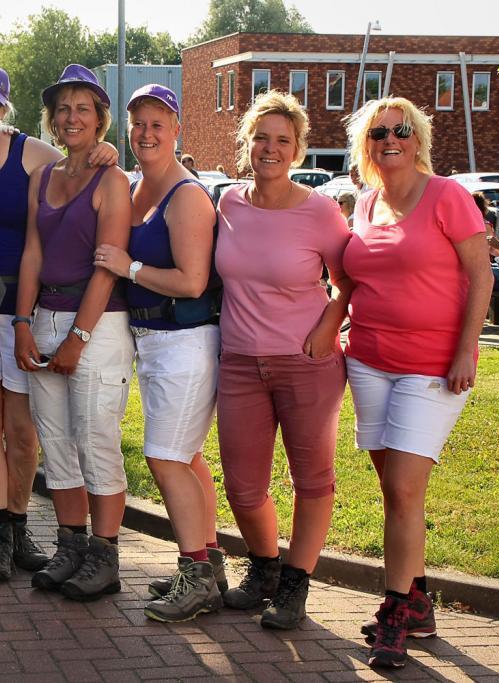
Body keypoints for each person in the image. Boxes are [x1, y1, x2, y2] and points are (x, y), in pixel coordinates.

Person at [0, 64, 115, 582]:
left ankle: (19, 523)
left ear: (5, 107)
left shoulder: (33, 154)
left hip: (25, 307)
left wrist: (107, 151)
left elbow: (81, 168)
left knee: (22, 429)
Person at [342, 97, 493, 669]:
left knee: (404, 489)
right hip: (368, 361)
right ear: (366, 143)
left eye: (401, 130)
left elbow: (481, 276)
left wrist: (465, 350)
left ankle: (395, 613)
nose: (390, 140)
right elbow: (354, 280)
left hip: (431, 367)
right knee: (396, 491)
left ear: (418, 138)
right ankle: (420, 601)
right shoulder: (366, 202)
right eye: (379, 132)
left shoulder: (447, 196)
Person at [214, 90, 352, 630]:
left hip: (305, 363)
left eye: (282, 140)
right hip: (240, 364)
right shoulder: (228, 203)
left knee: (312, 479)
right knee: (242, 486)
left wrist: (327, 328)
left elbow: (347, 281)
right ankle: (265, 568)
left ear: (297, 150)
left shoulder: (319, 210)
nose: (270, 148)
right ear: (247, 142)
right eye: (261, 138)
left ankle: (295, 584)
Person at [92, 84, 224, 623]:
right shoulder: (137, 185)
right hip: (153, 341)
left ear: (176, 131)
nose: (146, 133)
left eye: (158, 124)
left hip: (185, 342)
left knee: (165, 457)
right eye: (138, 124)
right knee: (187, 457)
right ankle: (210, 564)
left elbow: (192, 281)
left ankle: (196, 576)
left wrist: (129, 268)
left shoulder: (186, 196)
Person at [13, 64, 133, 602]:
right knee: (57, 444)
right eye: (63, 108)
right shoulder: (43, 177)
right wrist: (23, 322)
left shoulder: (113, 180)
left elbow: (108, 265)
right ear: (52, 119)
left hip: (98, 325)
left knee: (95, 440)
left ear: (100, 119)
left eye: (83, 108)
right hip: (45, 316)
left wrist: (77, 339)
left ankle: (105, 557)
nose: (71, 117)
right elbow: (32, 253)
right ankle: (71, 547)